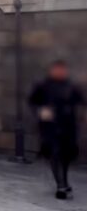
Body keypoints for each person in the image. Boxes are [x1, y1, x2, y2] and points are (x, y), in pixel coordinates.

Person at [28, 60, 85, 200]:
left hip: (68, 126)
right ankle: (61, 186)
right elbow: (33, 102)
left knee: (66, 156)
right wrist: (40, 111)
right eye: (57, 70)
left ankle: (64, 182)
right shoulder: (42, 86)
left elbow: (81, 102)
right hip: (50, 127)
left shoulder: (71, 86)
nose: (60, 72)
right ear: (51, 71)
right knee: (55, 153)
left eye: (62, 70)